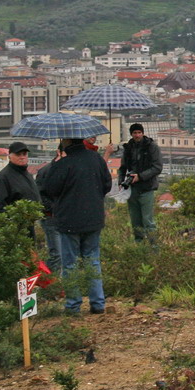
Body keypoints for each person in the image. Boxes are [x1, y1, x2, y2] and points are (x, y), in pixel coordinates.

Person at [41, 138, 112, 315]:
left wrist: (56, 164)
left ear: (67, 142)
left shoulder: (64, 163)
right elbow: (107, 185)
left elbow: (50, 189)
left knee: (70, 264)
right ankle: (98, 303)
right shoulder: (96, 159)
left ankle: (73, 305)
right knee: (93, 261)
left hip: (70, 220)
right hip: (93, 219)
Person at [118, 123, 163, 245]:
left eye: (139, 132)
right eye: (135, 133)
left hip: (147, 188)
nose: (137, 135)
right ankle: (139, 247)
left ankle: (154, 247)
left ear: (142, 133)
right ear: (131, 134)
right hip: (131, 189)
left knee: (148, 221)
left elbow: (157, 167)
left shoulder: (151, 147)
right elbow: (122, 167)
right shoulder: (128, 148)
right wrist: (121, 181)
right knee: (135, 221)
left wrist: (140, 176)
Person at [34, 148, 65, 277]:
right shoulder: (46, 171)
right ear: (59, 153)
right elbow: (40, 195)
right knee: (57, 255)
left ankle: (56, 284)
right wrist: (53, 208)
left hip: (63, 218)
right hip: (51, 217)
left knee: (63, 254)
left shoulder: (66, 171)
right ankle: (48, 282)